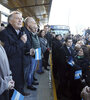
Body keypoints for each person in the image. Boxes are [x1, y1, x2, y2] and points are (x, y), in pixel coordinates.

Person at [0, 11, 29, 96]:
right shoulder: (4, 33)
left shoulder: (21, 32)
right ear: (10, 21)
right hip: (11, 69)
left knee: (18, 90)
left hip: (20, 66)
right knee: (12, 93)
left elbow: (22, 49)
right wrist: (21, 41)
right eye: (17, 18)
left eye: (21, 19)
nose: (20, 21)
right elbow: (7, 52)